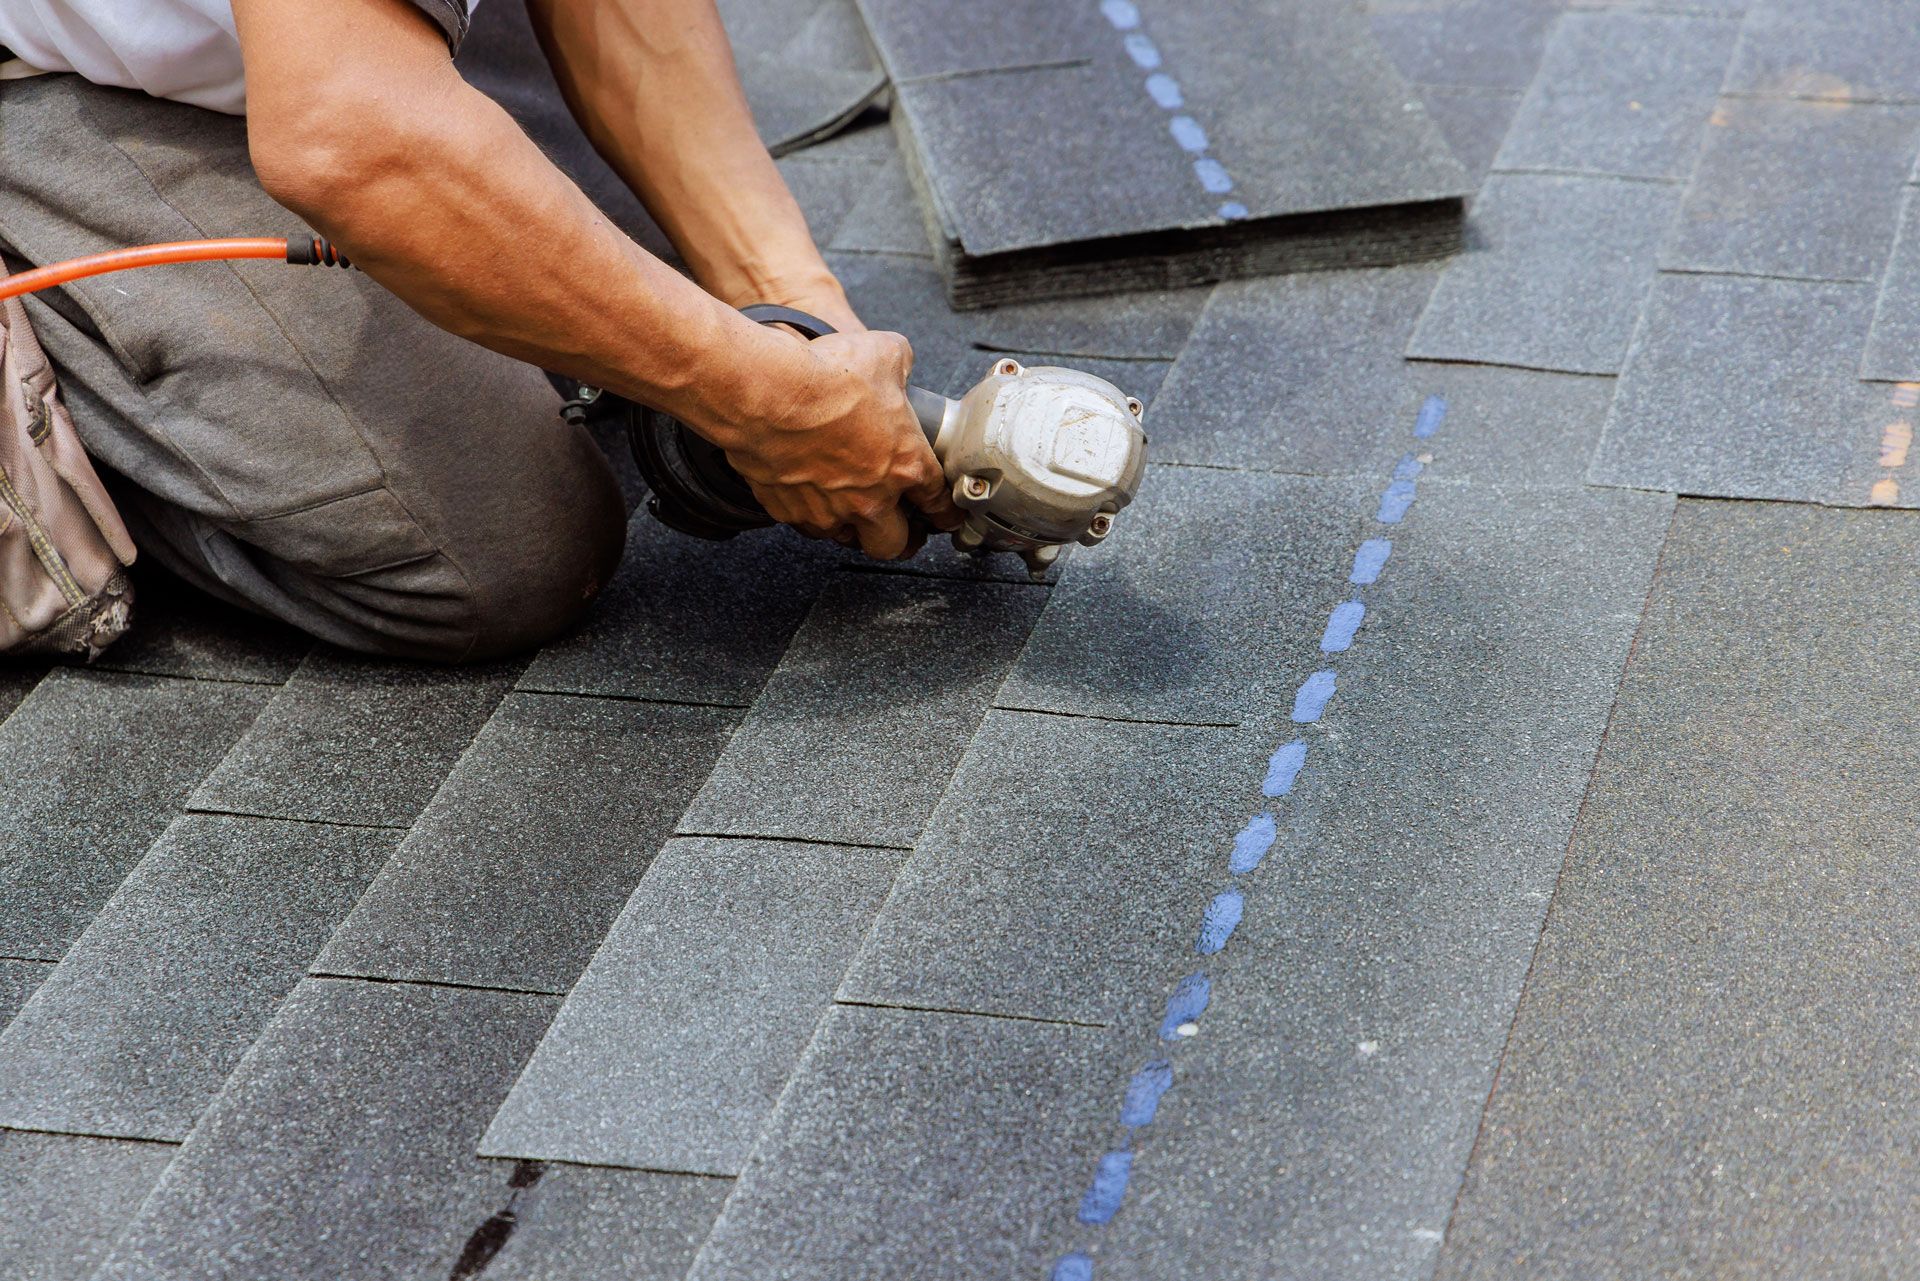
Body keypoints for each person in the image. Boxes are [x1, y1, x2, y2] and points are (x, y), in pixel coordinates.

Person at [0, 0, 959, 661]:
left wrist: (791, 314)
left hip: (301, 38)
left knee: (620, 270)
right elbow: (346, 134)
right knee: (495, 542)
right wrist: (752, 400)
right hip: (47, 71)